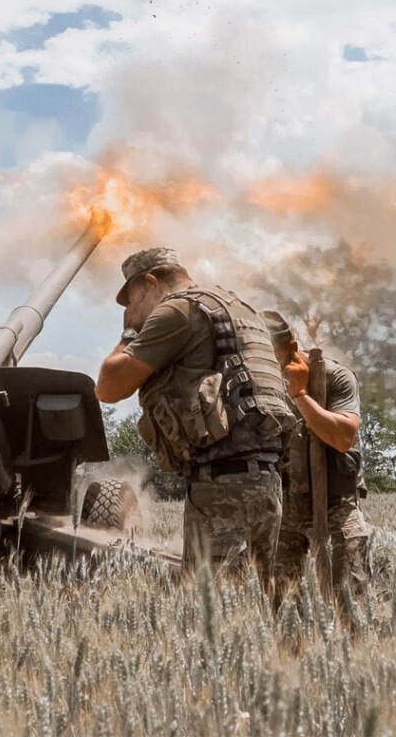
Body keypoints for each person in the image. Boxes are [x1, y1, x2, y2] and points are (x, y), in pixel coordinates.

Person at [95, 248, 294, 591]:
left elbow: (109, 387)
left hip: (222, 488)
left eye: (132, 299)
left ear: (151, 282)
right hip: (267, 483)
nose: (130, 310)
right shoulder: (238, 308)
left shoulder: (178, 310)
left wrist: (129, 333)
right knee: (257, 607)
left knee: (213, 614)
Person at [259, 311, 372, 609]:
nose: (267, 366)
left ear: (292, 348)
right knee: (281, 608)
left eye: (273, 356)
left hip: (337, 506)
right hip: (287, 507)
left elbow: (343, 437)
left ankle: (356, 653)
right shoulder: (263, 381)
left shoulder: (336, 377)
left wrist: (300, 396)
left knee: (350, 602)